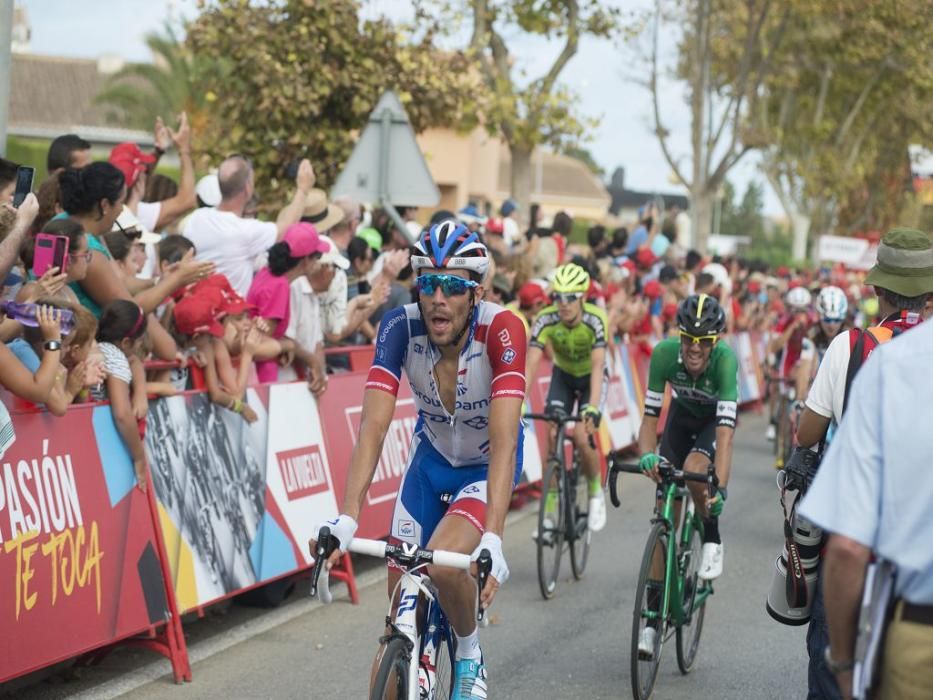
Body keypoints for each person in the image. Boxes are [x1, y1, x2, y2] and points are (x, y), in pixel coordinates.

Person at [310, 220, 526, 699]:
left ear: (477, 292)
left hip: (483, 467)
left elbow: (506, 440)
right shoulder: (398, 326)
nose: (437, 297)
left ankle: (469, 653)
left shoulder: (502, 329)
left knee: (446, 567)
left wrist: (493, 536)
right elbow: (373, 426)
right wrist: (348, 516)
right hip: (428, 465)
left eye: (453, 285)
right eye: (427, 283)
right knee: (400, 613)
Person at [792, 228, 933, 700]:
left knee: (827, 656)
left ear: (876, 291)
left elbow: (807, 434)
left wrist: (847, 666)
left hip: (879, 570)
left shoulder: (852, 348)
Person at [636, 296, 737, 626]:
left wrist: (719, 488)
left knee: (695, 471)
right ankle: (652, 618)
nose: (695, 348)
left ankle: (711, 533)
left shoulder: (725, 361)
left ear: (715, 341)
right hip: (680, 418)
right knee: (664, 503)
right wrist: (648, 454)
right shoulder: (664, 355)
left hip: (710, 422)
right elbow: (650, 418)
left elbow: (725, 435)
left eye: (703, 341)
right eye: (688, 339)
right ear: (679, 337)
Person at [524, 263, 609, 534]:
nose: (563, 303)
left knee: (583, 437)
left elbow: (598, 367)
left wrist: (593, 408)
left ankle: (596, 492)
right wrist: (517, 401)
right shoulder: (545, 319)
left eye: (570, 297)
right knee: (551, 437)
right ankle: (549, 513)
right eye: (558, 296)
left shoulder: (596, 320)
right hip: (563, 374)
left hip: (590, 379)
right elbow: (531, 365)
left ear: (582, 297)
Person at [183, 155, 315, 296]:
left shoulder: (196, 218)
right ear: (247, 188)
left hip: (194, 308)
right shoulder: (245, 231)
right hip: (229, 315)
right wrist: (303, 190)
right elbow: (286, 229)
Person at [246, 222, 329, 383]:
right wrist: (288, 346)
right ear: (305, 260)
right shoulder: (280, 286)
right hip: (263, 375)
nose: (318, 263)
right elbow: (261, 342)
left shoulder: (267, 272)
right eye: (317, 257)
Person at [92, 300, 149, 488]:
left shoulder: (100, 346)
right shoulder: (115, 357)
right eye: (140, 342)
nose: (140, 348)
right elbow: (122, 414)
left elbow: (134, 360)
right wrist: (139, 456)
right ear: (125, 342)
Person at [766, 286, 814, 441]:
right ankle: (775, 424)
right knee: (778, 390)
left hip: (805, 362)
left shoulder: (813, 321)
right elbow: (775, 346)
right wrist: (792, 328)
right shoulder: (784, 321)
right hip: (787, 361)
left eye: (802, 310)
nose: (799, 314)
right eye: (796, 310)